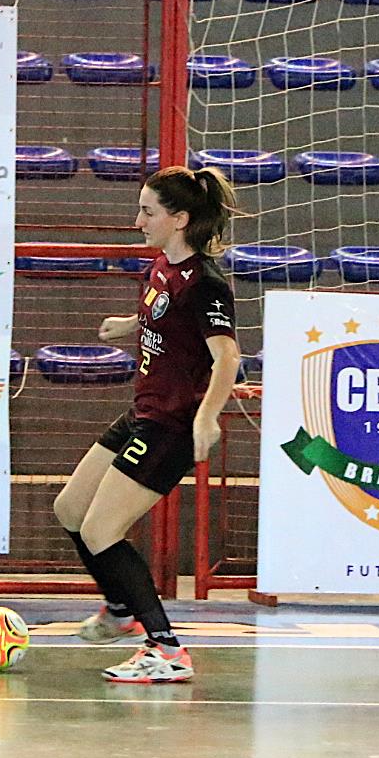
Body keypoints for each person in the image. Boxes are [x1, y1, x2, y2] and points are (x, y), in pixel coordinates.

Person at [54, 167, 243, 684]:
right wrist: (130, 324)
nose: (138, 221)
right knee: (69, 509)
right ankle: (119, 608)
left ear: (179, 219)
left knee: (101, 529)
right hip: (143, 410)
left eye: (148, 212)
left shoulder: (207, 284)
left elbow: (226, 356)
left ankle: (166, 649)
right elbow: (165, 314)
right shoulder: (162, 267)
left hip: (172, 425)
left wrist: (207, 416)